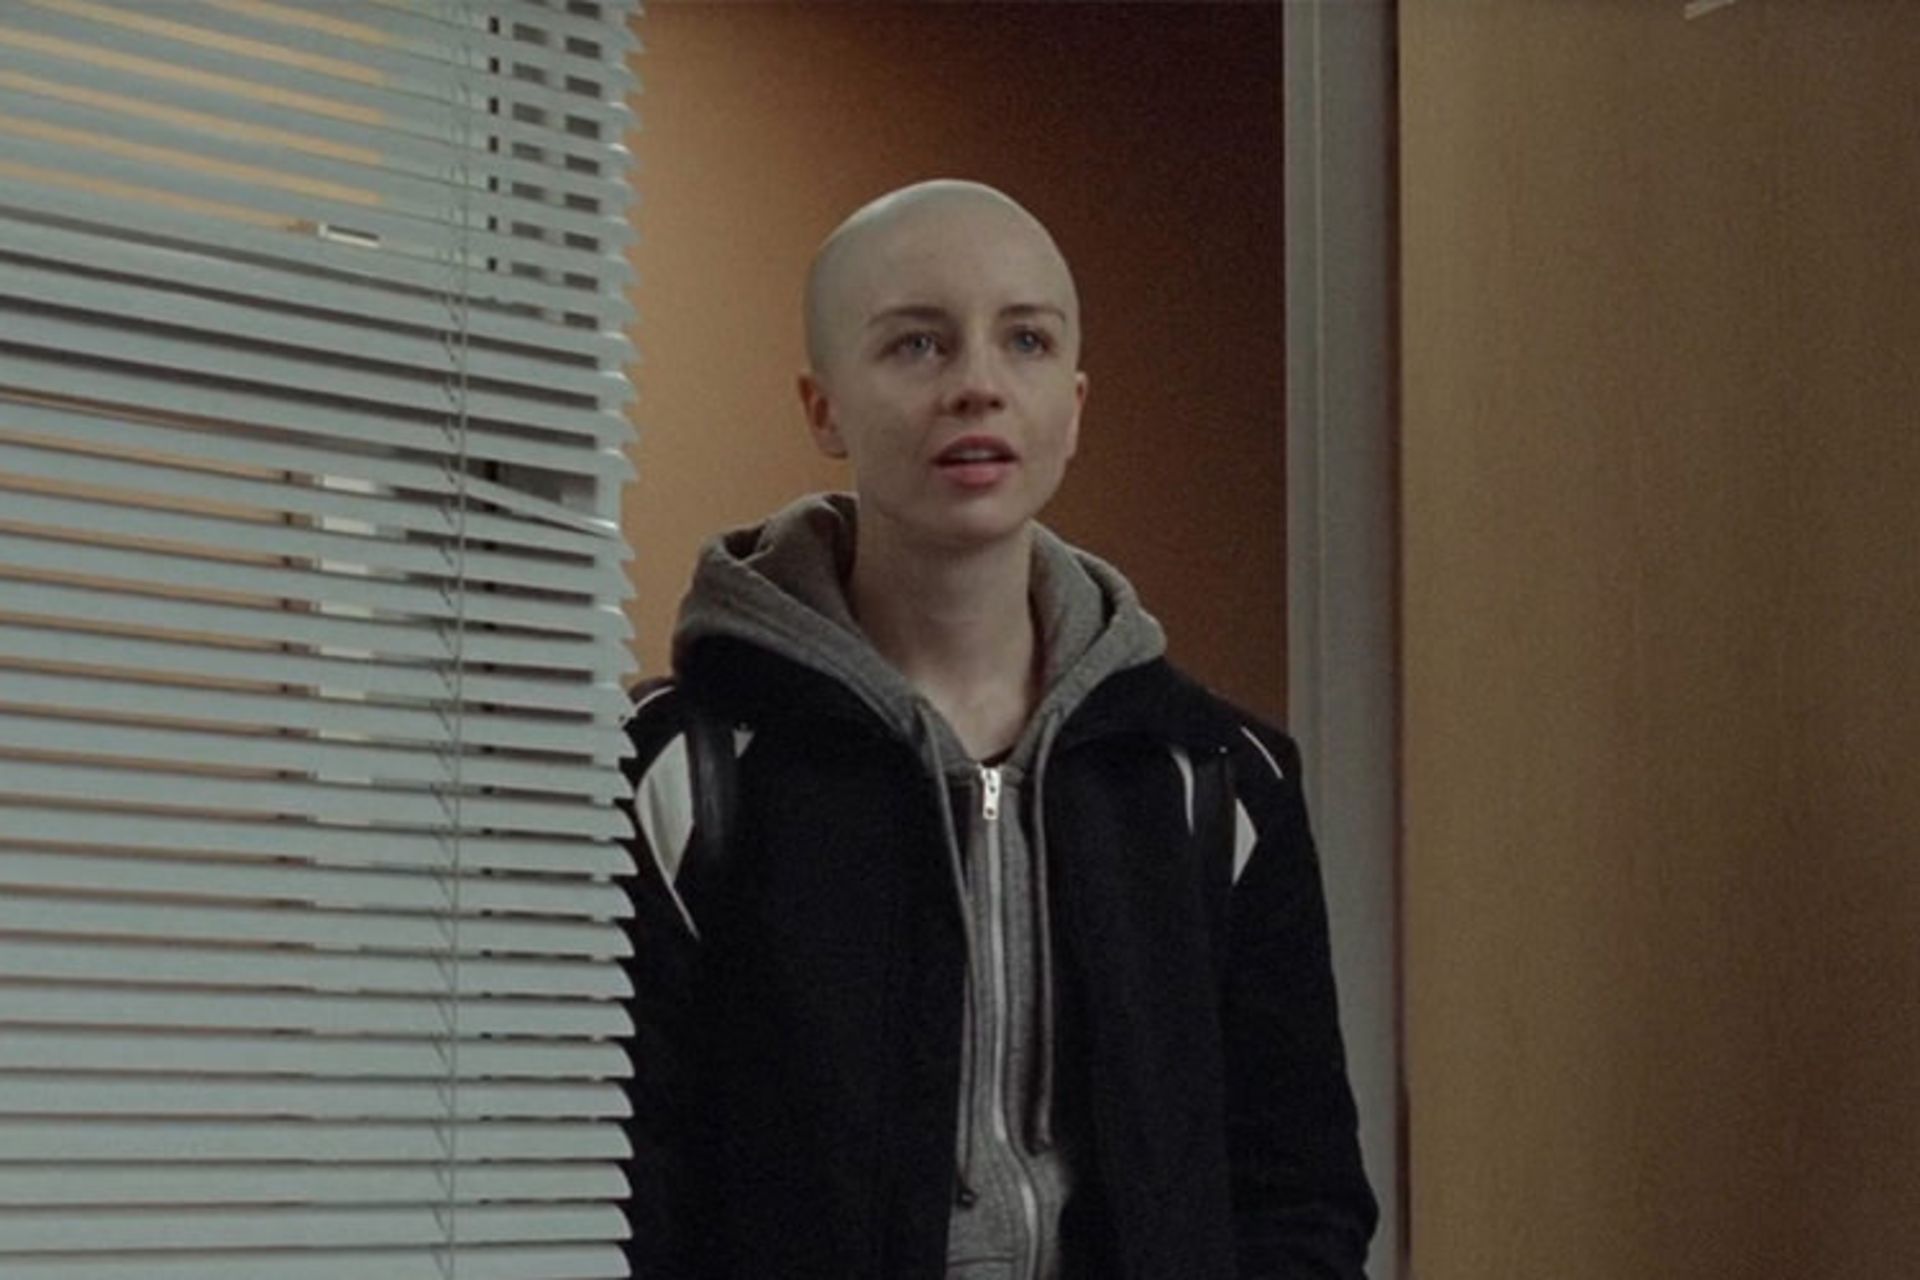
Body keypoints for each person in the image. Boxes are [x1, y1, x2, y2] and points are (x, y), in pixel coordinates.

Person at [622, 179, 1376, 1279]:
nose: (977, 385)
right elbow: (626, 1195)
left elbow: (1299, 1191)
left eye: (1025, 340)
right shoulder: (675, 774)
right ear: (823, 408)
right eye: (917, 344)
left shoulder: (1216, 777)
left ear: (1073, 403)